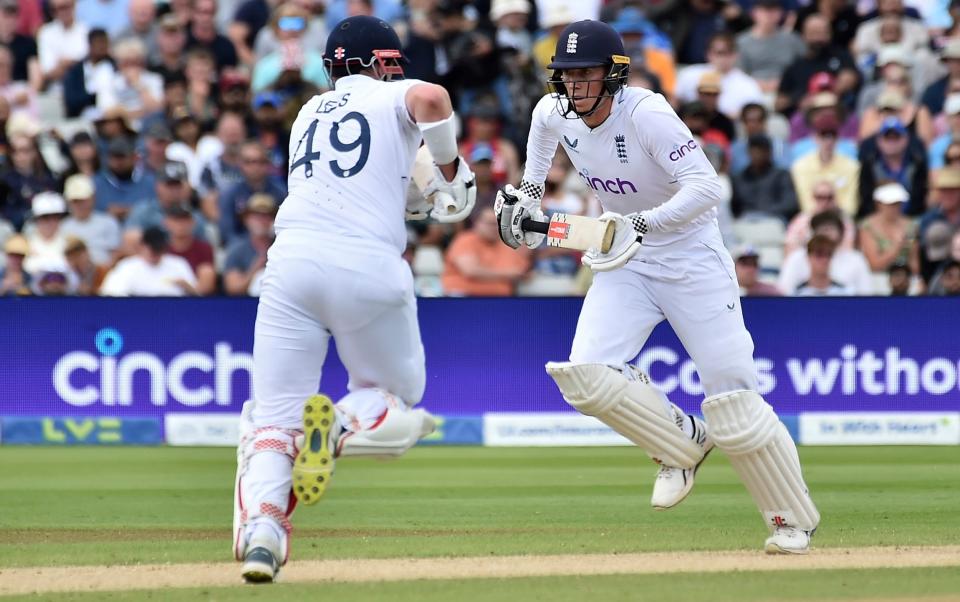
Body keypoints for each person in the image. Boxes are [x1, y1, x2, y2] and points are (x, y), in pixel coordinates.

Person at [494, 20, 818, 555]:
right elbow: (538, 162)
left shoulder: (646, 113)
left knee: (734, 398)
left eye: (587, 75)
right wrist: (527, 203)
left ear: (614, 75)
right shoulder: (550, 112)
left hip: (691, 257)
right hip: (624, 257)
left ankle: (791, 521)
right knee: (586, 377)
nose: (575, 87)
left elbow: (706, 187)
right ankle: (681, 442)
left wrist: (644, 222)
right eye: (567, 76)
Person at [232, 16, 476, 583]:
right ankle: (340, 423)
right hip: (365, 263)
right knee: (395, 395)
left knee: (271, 420)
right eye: (389, 60)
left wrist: (412, 197)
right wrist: (446, 168)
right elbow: (432, 98)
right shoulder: (394, 93)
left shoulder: (306, 115)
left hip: (289, 264)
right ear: (376, 62)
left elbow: (362, 177)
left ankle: (264, 533)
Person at [779, 209, 874, 294]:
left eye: (830, 228)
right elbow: (785, 292)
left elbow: (865, 294)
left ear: (841, 233)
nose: (826, 233)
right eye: (821, 228)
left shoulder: (855, 259)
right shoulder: (797, 257)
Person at [441, 206, 530, 296]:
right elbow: (471, 271)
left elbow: (521, 272)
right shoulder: (465, 240)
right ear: (477, 223)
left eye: (499, 224)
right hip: (464, 296)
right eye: (490, 223)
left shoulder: (507, 244)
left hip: (500, 300)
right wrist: (508, 274)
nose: (495, 228)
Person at [100, 225, 198, 296]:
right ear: (142, 246)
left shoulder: (178, 264)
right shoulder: (127, 266)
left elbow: (196, 297)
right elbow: (110, 293)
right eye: (152, 248)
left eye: (158, 249)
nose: (155, 253)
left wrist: (187, 287)